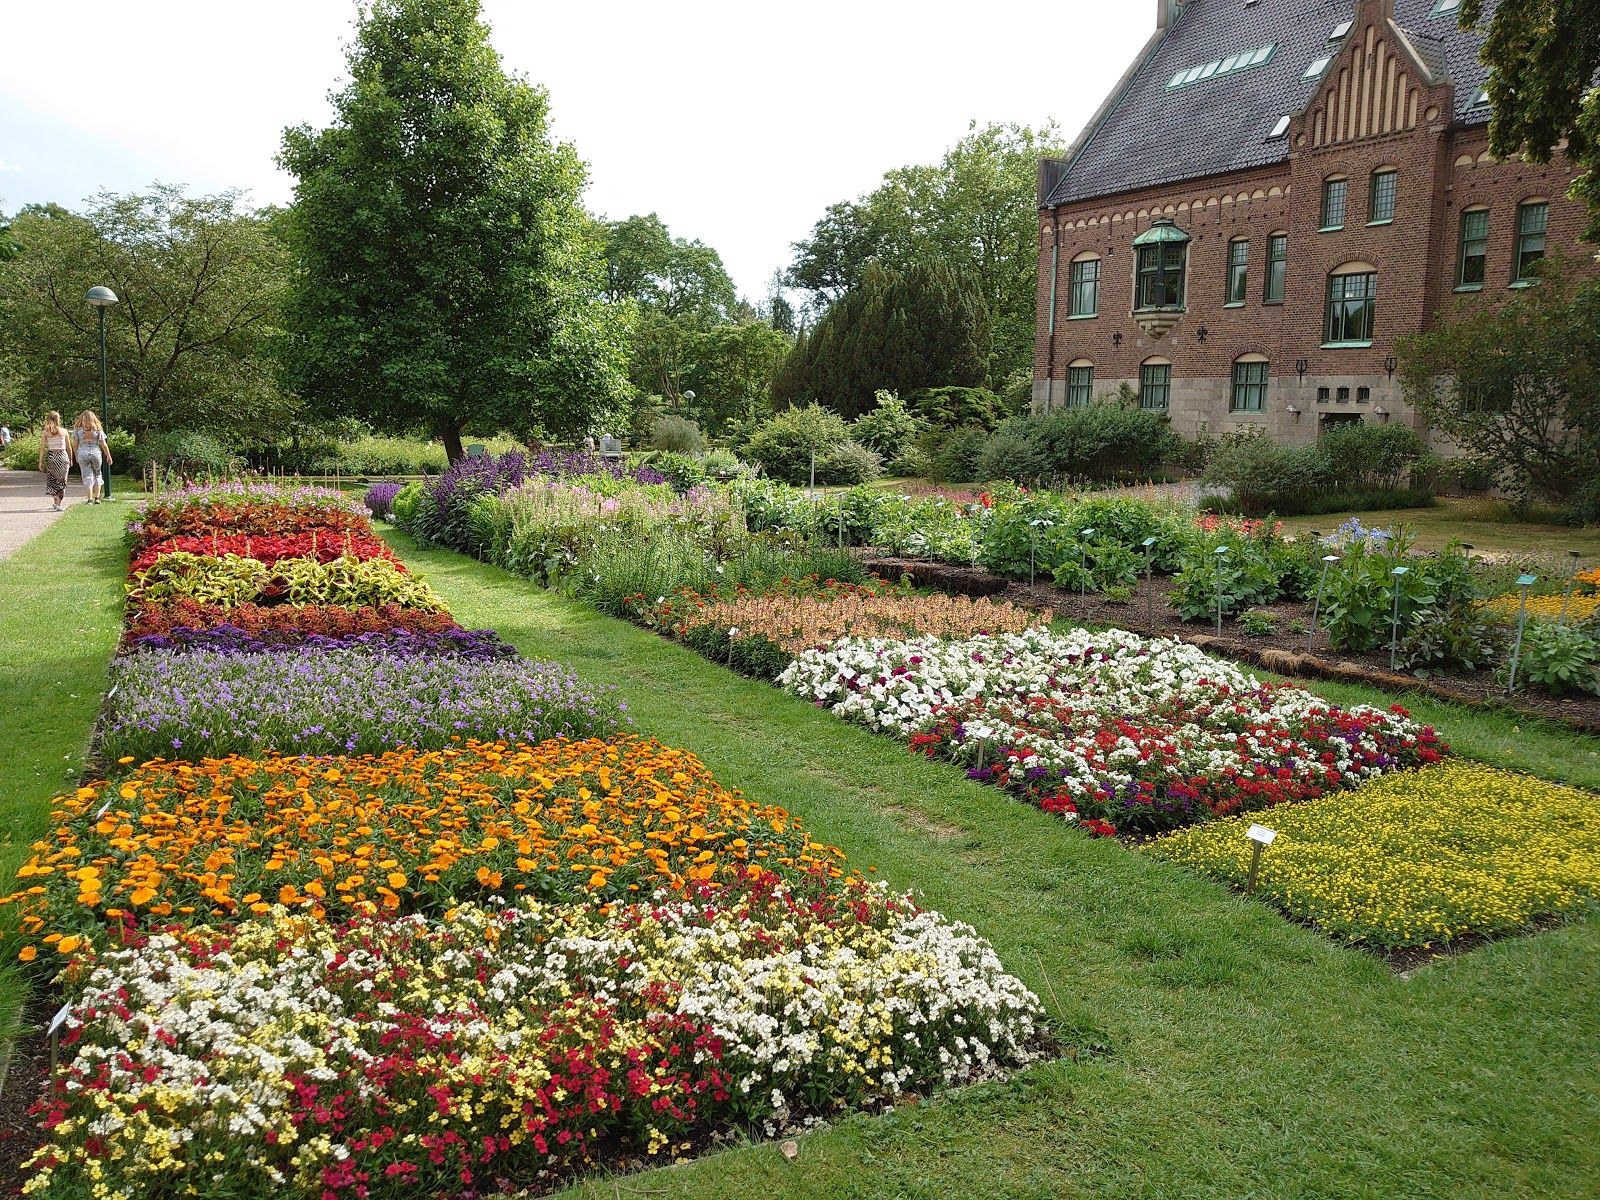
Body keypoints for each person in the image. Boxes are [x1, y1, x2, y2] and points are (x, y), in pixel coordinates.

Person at [71, 410, 113, 504]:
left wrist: (76, 455)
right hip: (95, 452)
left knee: (87, 476)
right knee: (98, 474)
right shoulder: (98, 429)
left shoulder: (77, 429)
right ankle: (97, 498)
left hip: (82, 452)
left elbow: (75, 444)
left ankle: (89, 499)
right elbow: (103, 444)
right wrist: (108, 456)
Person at [38, 411, 71, 511]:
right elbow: (69, 447)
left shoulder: (45, 432)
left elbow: (42, 448)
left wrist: (40, 461)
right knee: (62, 480)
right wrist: (71, 459)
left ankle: (56, 501)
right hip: (63, 456)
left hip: (52, 457)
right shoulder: (64, 431)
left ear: (48, 419)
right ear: (58, 419)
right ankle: (58, 504)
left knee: (52, 479)